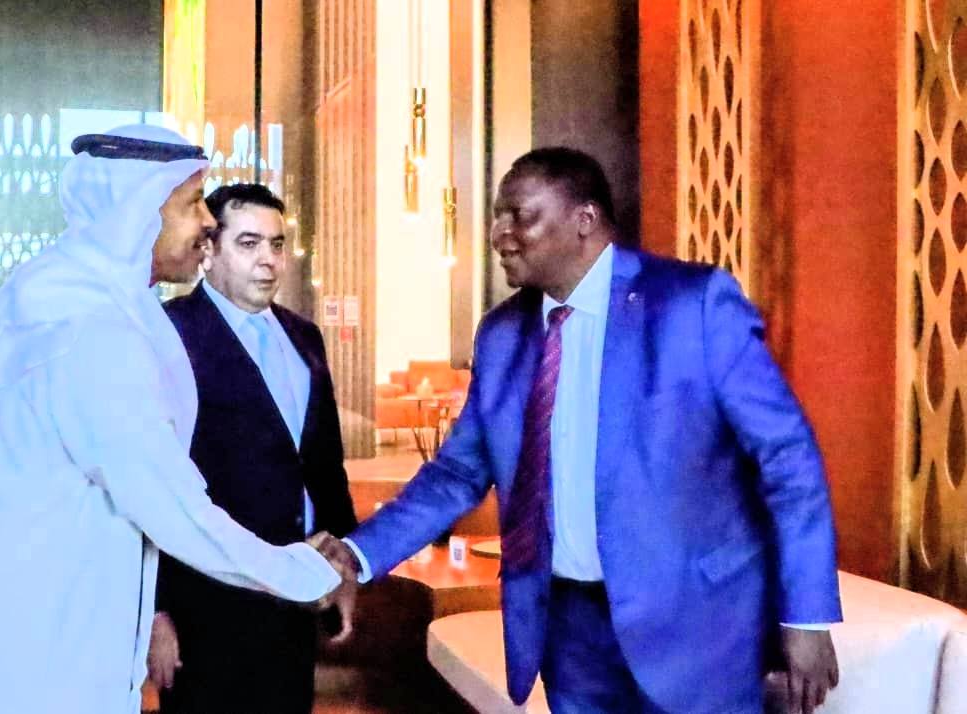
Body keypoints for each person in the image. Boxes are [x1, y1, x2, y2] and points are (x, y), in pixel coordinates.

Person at [315, 147, 842, 714]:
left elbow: (787, 457)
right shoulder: (502, 335)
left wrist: (806, 615)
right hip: (570, 634)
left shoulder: (693, 305)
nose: (499, 234)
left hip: (699, 628)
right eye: (497, 216)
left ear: (584, 220)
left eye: (520, 215)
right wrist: (356, 554)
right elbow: (458, 474)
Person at [0, 125, 344, 714]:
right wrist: (305, 573)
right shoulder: (89, 324)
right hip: (22, 637)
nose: (206, 223)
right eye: (191, 203)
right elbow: (170, 506)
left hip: (32, 618)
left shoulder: (79, 292)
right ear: (135, 212)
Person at [150, 183, 358, 713]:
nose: (268, 259)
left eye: (277, 244)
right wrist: (154, 610)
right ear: (209, 250)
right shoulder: (170, 334)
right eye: (248, 243)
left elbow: (323, 466)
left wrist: (345, 565)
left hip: (296, 595)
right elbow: (150, 484)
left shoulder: (304, 336)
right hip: (204, 605)